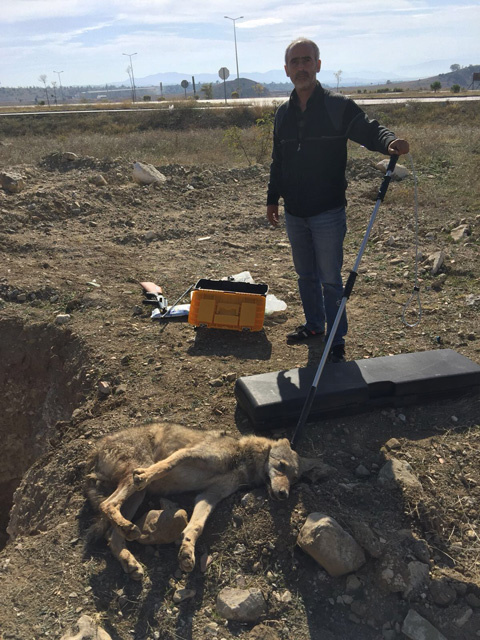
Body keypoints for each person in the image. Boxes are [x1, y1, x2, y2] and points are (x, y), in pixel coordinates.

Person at [267, 38, 409, 362]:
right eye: (295, 61)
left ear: (318, 65)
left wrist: (389, 142)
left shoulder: (337, 106)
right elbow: (278, 160)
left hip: (327, 212)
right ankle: (315, 326)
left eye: (307, 60)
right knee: (305, 275)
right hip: (295, 212)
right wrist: (272, 199)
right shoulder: (282, 114)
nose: (301, 67)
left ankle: (336, 338)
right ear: (287, 69)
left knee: (330, 278)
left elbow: (368, 129)